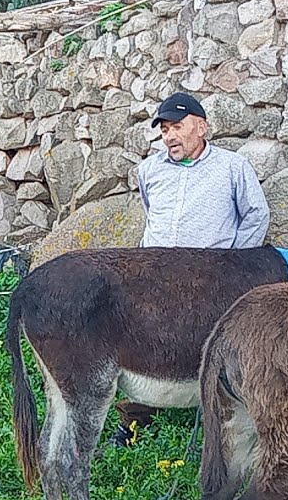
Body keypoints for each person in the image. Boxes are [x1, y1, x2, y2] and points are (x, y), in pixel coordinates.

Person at [111, 91, 270, 448]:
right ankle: (135, 421)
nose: (169, 136)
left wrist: (232, 264)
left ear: (200, 127)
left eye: (176, 127)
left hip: (208, 280)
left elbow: (256, 215)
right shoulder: (149, 170)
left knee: (210, 346)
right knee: (137, 342)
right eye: (164, 129)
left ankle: (218, 423)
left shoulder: (232, 167)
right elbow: (152, 212)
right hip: (152, 275)